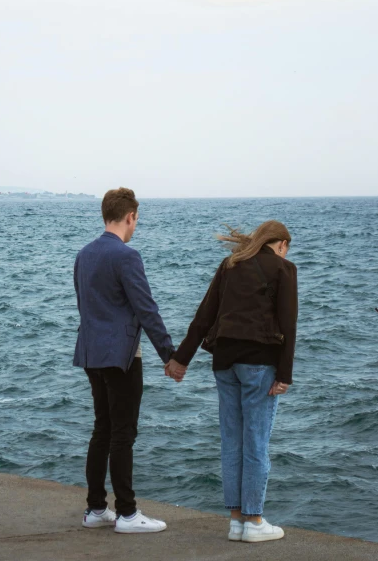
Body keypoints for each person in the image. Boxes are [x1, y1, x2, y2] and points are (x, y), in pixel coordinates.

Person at [166, 220, 298, 543]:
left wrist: (180, 359)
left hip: (224, 363)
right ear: (281, 244)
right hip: (259, 364)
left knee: (232, 440)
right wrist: (285, 375)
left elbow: (204, 316)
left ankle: (236, 521)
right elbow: (288, 325)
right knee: (256, 441)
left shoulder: (230, 265)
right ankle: (254, 521)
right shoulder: (284, 269)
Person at [74, 187, 175, 534]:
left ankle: (95, 509)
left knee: (102, 429)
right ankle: (128, 514)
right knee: (123, 434)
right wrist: (170, 355)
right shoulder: (127, 256)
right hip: (122, 357)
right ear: (130, 216)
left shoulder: (84, 255)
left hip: (90, 353)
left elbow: (85, 306)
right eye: (136, 220)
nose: (136, 227)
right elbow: (146, 308)